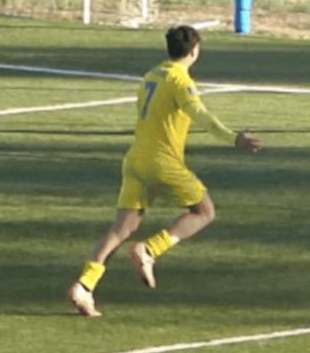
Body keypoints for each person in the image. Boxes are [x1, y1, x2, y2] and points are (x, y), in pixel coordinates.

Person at [67, 25, 262, 317]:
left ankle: (84, 286)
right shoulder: (180, 81)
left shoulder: (152, 74)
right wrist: (235, 138)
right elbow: (202, 117)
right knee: (204, 212)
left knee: (122, 228)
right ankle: (150, 249)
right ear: (194, 51)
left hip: (135, 159)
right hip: (162, 161)